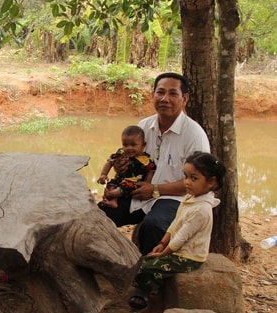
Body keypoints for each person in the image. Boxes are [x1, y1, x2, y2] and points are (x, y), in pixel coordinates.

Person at [98, 72, 211, 256]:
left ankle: (148, 279)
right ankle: (105, 266)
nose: (165, 99)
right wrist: (120, 170)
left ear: (185, 99)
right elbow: (127, 162)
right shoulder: (143, 126)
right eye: (160, 92)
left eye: (173, 94)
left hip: (175, 198)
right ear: (152, 95)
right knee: (99, 214)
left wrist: (155, 189)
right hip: (139, 192)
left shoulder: (194, 135)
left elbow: (199, 183)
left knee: (153, 227)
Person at [131, 151, 226, 313]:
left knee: (147, 269)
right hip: (178, 250)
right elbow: (176, 223)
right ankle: (155, 299)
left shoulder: (202, 209)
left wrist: (163, 253)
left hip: (189, 257)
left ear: (211, 182)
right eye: (186, 176)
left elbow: (182, 236)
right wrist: (162, 242)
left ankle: (156, 304)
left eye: (193, 178)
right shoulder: (191, 198)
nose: (187, 182)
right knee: (142, 263)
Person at [97, 125, 156, 209]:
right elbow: (110, 162)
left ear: (143, 145)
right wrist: (103, 175)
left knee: (126, 186)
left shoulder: (146, 159)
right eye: (125, 145)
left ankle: (113, 195)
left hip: (133, 183)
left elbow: (150, 171)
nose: (129, 148)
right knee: (111, 184)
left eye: (133, 145)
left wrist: (147, 184)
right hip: (119, 179)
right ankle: (112, 200)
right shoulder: (121, 152)